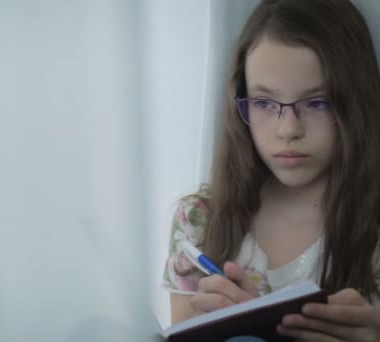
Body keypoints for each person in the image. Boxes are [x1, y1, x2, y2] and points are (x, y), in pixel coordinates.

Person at [163, 0, 380, 340]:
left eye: (317, 102)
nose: (288, 130)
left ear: (356, 102)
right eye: (264, 103)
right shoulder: (199, 219)